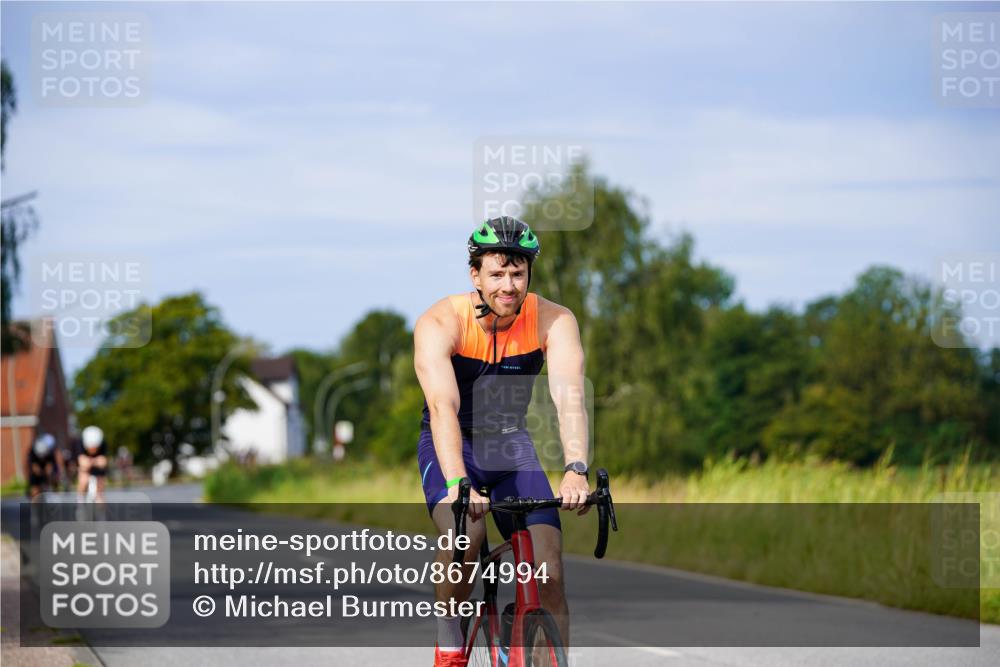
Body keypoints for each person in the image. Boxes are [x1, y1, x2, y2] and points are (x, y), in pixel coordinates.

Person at [414, 216, 591, 666]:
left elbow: (569, 399)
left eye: (517, 272)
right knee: (466, 534)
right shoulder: (441, 321)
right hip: (453, 444)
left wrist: (575, 469)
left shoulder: (554, 320)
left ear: (529, 273)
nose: (508, 285)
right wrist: (458, 482)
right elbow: (442, 408)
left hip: (511, 447)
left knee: (549, 570)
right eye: (496, 273)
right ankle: (449, 636)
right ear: (475, 275)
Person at [76, 425, 109, 504]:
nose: (92, 450)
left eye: (95, 447)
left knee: (100, 490)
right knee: (83, 481)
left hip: (98, 469)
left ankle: (100, 511)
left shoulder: (103, 444)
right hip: (85, 469)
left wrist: (92, 461)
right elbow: (82, 461)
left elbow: (103, 461)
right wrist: (94, 461)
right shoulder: (80, 444)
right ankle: (80, 502)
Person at [25, 433, 64, 498]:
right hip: (35, 473)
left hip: (46, 468)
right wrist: (36, 470)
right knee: (35, 488)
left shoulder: (50, 453)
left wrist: (50, 472)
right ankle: (35, 502)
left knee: (54, 477)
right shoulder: (32, 453)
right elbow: (30, 466)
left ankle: (56, 496)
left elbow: (52, 464)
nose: (42, 458)